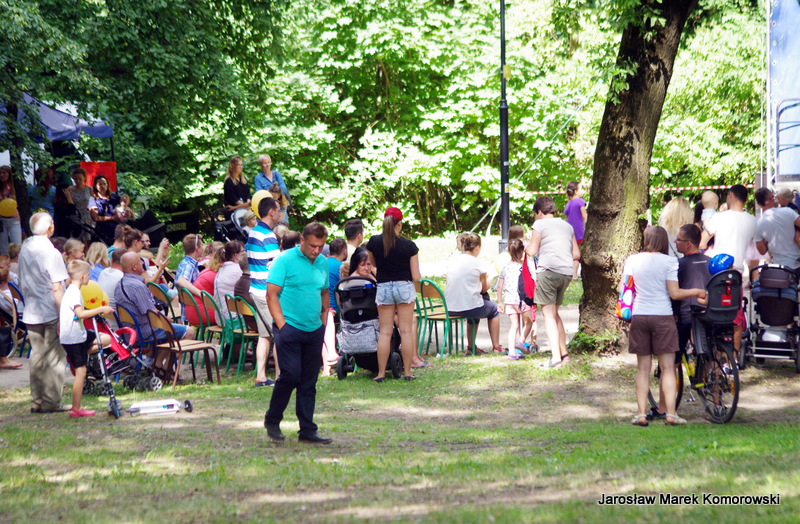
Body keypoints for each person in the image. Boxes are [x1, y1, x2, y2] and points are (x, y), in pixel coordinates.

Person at [622, 226, 707, 427]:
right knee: (668, 368)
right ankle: (671, 413)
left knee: (642, 369)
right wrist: (697, 291)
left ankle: (641, 414)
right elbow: (675, 293)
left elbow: (623, 288)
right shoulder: (670, 262)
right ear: (663, 241)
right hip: (663, 316)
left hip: (640, 315)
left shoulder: (632, 260)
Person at [264, 222, 331, 444]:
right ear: (302, 240)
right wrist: (282, 325)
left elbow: (324, 292)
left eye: (320, 246)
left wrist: (323, 322)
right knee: (291, 374)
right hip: (289, 327)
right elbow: (271, 295)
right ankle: (273, 420)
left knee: (309, 381)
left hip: (314, 328)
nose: (316, 250)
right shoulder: (284, 260)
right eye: (312, 245)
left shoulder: (322, 262)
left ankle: (307, 430)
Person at [649, 224, 711, 420]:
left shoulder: (678, 265)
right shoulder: (710, 262)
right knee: (712, 357)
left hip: (684, 317)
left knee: (670, 364)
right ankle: (718, 404)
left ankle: (662, 408)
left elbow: (671, 293)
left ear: (689, 244)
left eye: (679, 240)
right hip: (708, 316)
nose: (675, 243)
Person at [19, 213, 70, 413]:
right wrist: (63, 315)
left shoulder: (25, 248)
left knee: (37, 356)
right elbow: (57, 287)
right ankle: (51, 401)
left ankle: (37, 400)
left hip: (31, 309)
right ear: (50, 228)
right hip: (49, 309)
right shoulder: (51, 252)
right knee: (54, 357)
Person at [115, 252, 194, 378]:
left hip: (129, 332)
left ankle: (157, 365)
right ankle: (167, 369)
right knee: (189, 331)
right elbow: (150, 312)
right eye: (140, 261)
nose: (143, 262)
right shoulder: (137, 286)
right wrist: (166, 319)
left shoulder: (119, 284)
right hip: (144, 331)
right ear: (134, 267)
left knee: (168, 330)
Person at [700, 185, 757, 354]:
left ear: (730, 194)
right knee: (735, 317)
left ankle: (712, 355)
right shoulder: (752, 221)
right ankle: (734, 358)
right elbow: (752, 251)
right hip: (736, 274)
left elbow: (702, 243)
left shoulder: (719, 217)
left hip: (715, 273)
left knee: (711, 312)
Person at [525, 196, 580, 368]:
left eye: (536, 214)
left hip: (548, 271)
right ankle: (564, 354)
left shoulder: (539, 224)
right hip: (565, 273)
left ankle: (555, 357)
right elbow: (576, 254)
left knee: (548, 315)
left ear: (540, 212)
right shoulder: (567, 226)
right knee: (555, 314)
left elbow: (532, 251)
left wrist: (525, 246)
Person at [366, 207, 420, 381]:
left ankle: (381, 373)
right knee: (406, 331)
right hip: (404, 287)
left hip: (383, 287)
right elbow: (416, 276)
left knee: (385, 332)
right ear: (400, 223)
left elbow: (374, 265)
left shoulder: (373, 242)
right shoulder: (409, 246)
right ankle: (407, 372)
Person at [59, 260, 114, 418]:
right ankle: (76, 409)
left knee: (106, 339)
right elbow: (80, 314)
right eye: (89, 275)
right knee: (81, 372)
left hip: (79, 334)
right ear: (82, 277)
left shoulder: (72, 290)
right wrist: (100, 309)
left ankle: (83, 353)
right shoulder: (74, 293)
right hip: (73, 337)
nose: (90, 277)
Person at [446, 233, 502, 355]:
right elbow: (484, 289)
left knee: (475, 302)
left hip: (450, 307)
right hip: (469, 308)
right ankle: (496, 347)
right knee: (494, 308)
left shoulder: (453, 260)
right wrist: (492, 276)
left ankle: (471, 347)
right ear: (477, 247)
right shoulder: (478, 263)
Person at [246, 196, 281, 387]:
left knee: (264, 335)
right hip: (265, 291)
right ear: (271, 212)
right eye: (278, 210)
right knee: (279, 335)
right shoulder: (268, 235)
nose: (280, 213)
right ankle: (280, 376)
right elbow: (278, 266)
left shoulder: (253, 232)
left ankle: (261, 375)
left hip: (255, 288)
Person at [497, 239, 534, 361]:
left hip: (509, 301)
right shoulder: (523, 267)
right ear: (522, 251)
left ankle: (512, 353)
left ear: (509, 251)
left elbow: (499, 286)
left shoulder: (505, 267)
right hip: (522, 300)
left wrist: (500, 302)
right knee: (529, 322)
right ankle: (521, 342)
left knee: (514, 326)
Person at [754, 187, 800, 270]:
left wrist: (767, 243)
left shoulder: (758, 225)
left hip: (777, 267)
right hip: (795, 264)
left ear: (758, 203)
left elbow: (762, 251)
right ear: (771, 198)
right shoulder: (788, 212)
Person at [322, 239, 347, 377]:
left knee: (321, 330)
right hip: (334, 309)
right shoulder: (341, 267)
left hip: (320, 307)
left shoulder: (322, 263)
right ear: (344, 251)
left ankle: (326, 368)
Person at [174, 233, 204, 321]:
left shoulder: (185, 262)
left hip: (188, 310)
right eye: (202, 246)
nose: (203, 248)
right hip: (193, 311)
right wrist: (200, 293)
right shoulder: (189, 265)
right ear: (197, 248)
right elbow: (181, 281)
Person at [214, 240, 244, 326]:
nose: (245, 253)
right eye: (243, 251)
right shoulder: (238, 270)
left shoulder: (221, 270)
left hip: (219, 318)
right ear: (236, 256)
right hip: (232, 320)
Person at [254, 154, 290, 221]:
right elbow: (259, 194)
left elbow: (283, 189)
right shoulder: (258, 178)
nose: (267, 165)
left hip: (281, 207)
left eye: (268, 162)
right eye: (265, 163)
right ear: (261, 164)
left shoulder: (277, 174)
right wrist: (275, 192)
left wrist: (270, 192)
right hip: (268, 208)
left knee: (283, 225)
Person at [563, 181, 587, 278]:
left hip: (569, 232)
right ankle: (574, 273)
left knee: (572, 252)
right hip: (579, 232)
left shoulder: (568, 203)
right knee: (578, 253)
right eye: (581, 188)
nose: (582, 191)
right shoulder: (580, 201)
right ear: (576, 191)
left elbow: (566, 218)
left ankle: (570, 272)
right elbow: (584, 215)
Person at [88, 174, 121, 244]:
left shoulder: (115, 198)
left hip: (117, 232)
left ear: (107, 185)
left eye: (104, 183)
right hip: (101, 234)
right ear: (95, 186)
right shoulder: (93, 199)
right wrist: (112, 218)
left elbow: (125, 209)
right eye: (100, 184)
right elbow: (95, 218)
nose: (102, 186)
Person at [0, 165, 22, 256]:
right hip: (2, 219)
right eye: (0, 173)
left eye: (4, 173)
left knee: (17, 244)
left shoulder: (15, 187)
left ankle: (16, 261)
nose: (1, 175)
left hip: (14, 219)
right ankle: (4, 262)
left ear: (9, 174)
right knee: (3, 247)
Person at [69, 168, 93, 240]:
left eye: (80, 179)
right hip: (76, 217)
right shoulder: (70, 190)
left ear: (84, 178)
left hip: (87, 217)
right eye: (76, 179)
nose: (78, 181)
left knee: (87, 239)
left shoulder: (89, 189)